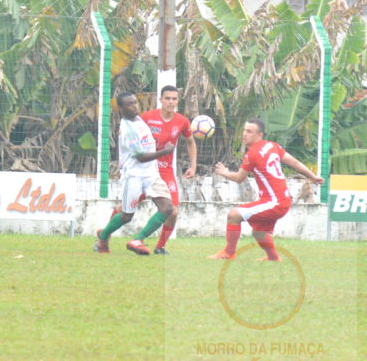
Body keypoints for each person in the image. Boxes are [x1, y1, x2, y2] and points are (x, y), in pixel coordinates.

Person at [208, 119, 322, 261]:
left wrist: (224, 172)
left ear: (259, 135)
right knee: (259, 231)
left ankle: (228, 252)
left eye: (249, 131)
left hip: (275, 202)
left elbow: (239, 178)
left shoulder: (252, 154)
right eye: (244, 130)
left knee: (234, 215)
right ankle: (273, 258)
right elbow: (295, 162)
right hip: (282, 200)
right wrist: (313, 176)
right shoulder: (273, 146)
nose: (244, 134)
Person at [92, 92, 176, 255]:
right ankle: (103, 236)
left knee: (167, 208)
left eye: (135, 103)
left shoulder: (139, 121)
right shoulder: (127, 129)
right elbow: (141, 157)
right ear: (121, 108)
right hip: (134, 177)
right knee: (126, 216)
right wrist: (164, 151)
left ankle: (138, 239)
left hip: (151, 174)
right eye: (130, 104)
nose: (135, 106)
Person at [137, 85, 196, 254]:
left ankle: (160, 246)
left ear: (178, 101)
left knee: (173, 212)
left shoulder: (182, 121)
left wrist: (193, 166)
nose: (171, 102)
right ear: (161, 100)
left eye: (174, 99)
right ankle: (104, 237)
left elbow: (191, 142)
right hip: (145, 171)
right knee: (126, 208)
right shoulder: (148, 117)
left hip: (165, 172)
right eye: (167, 98)